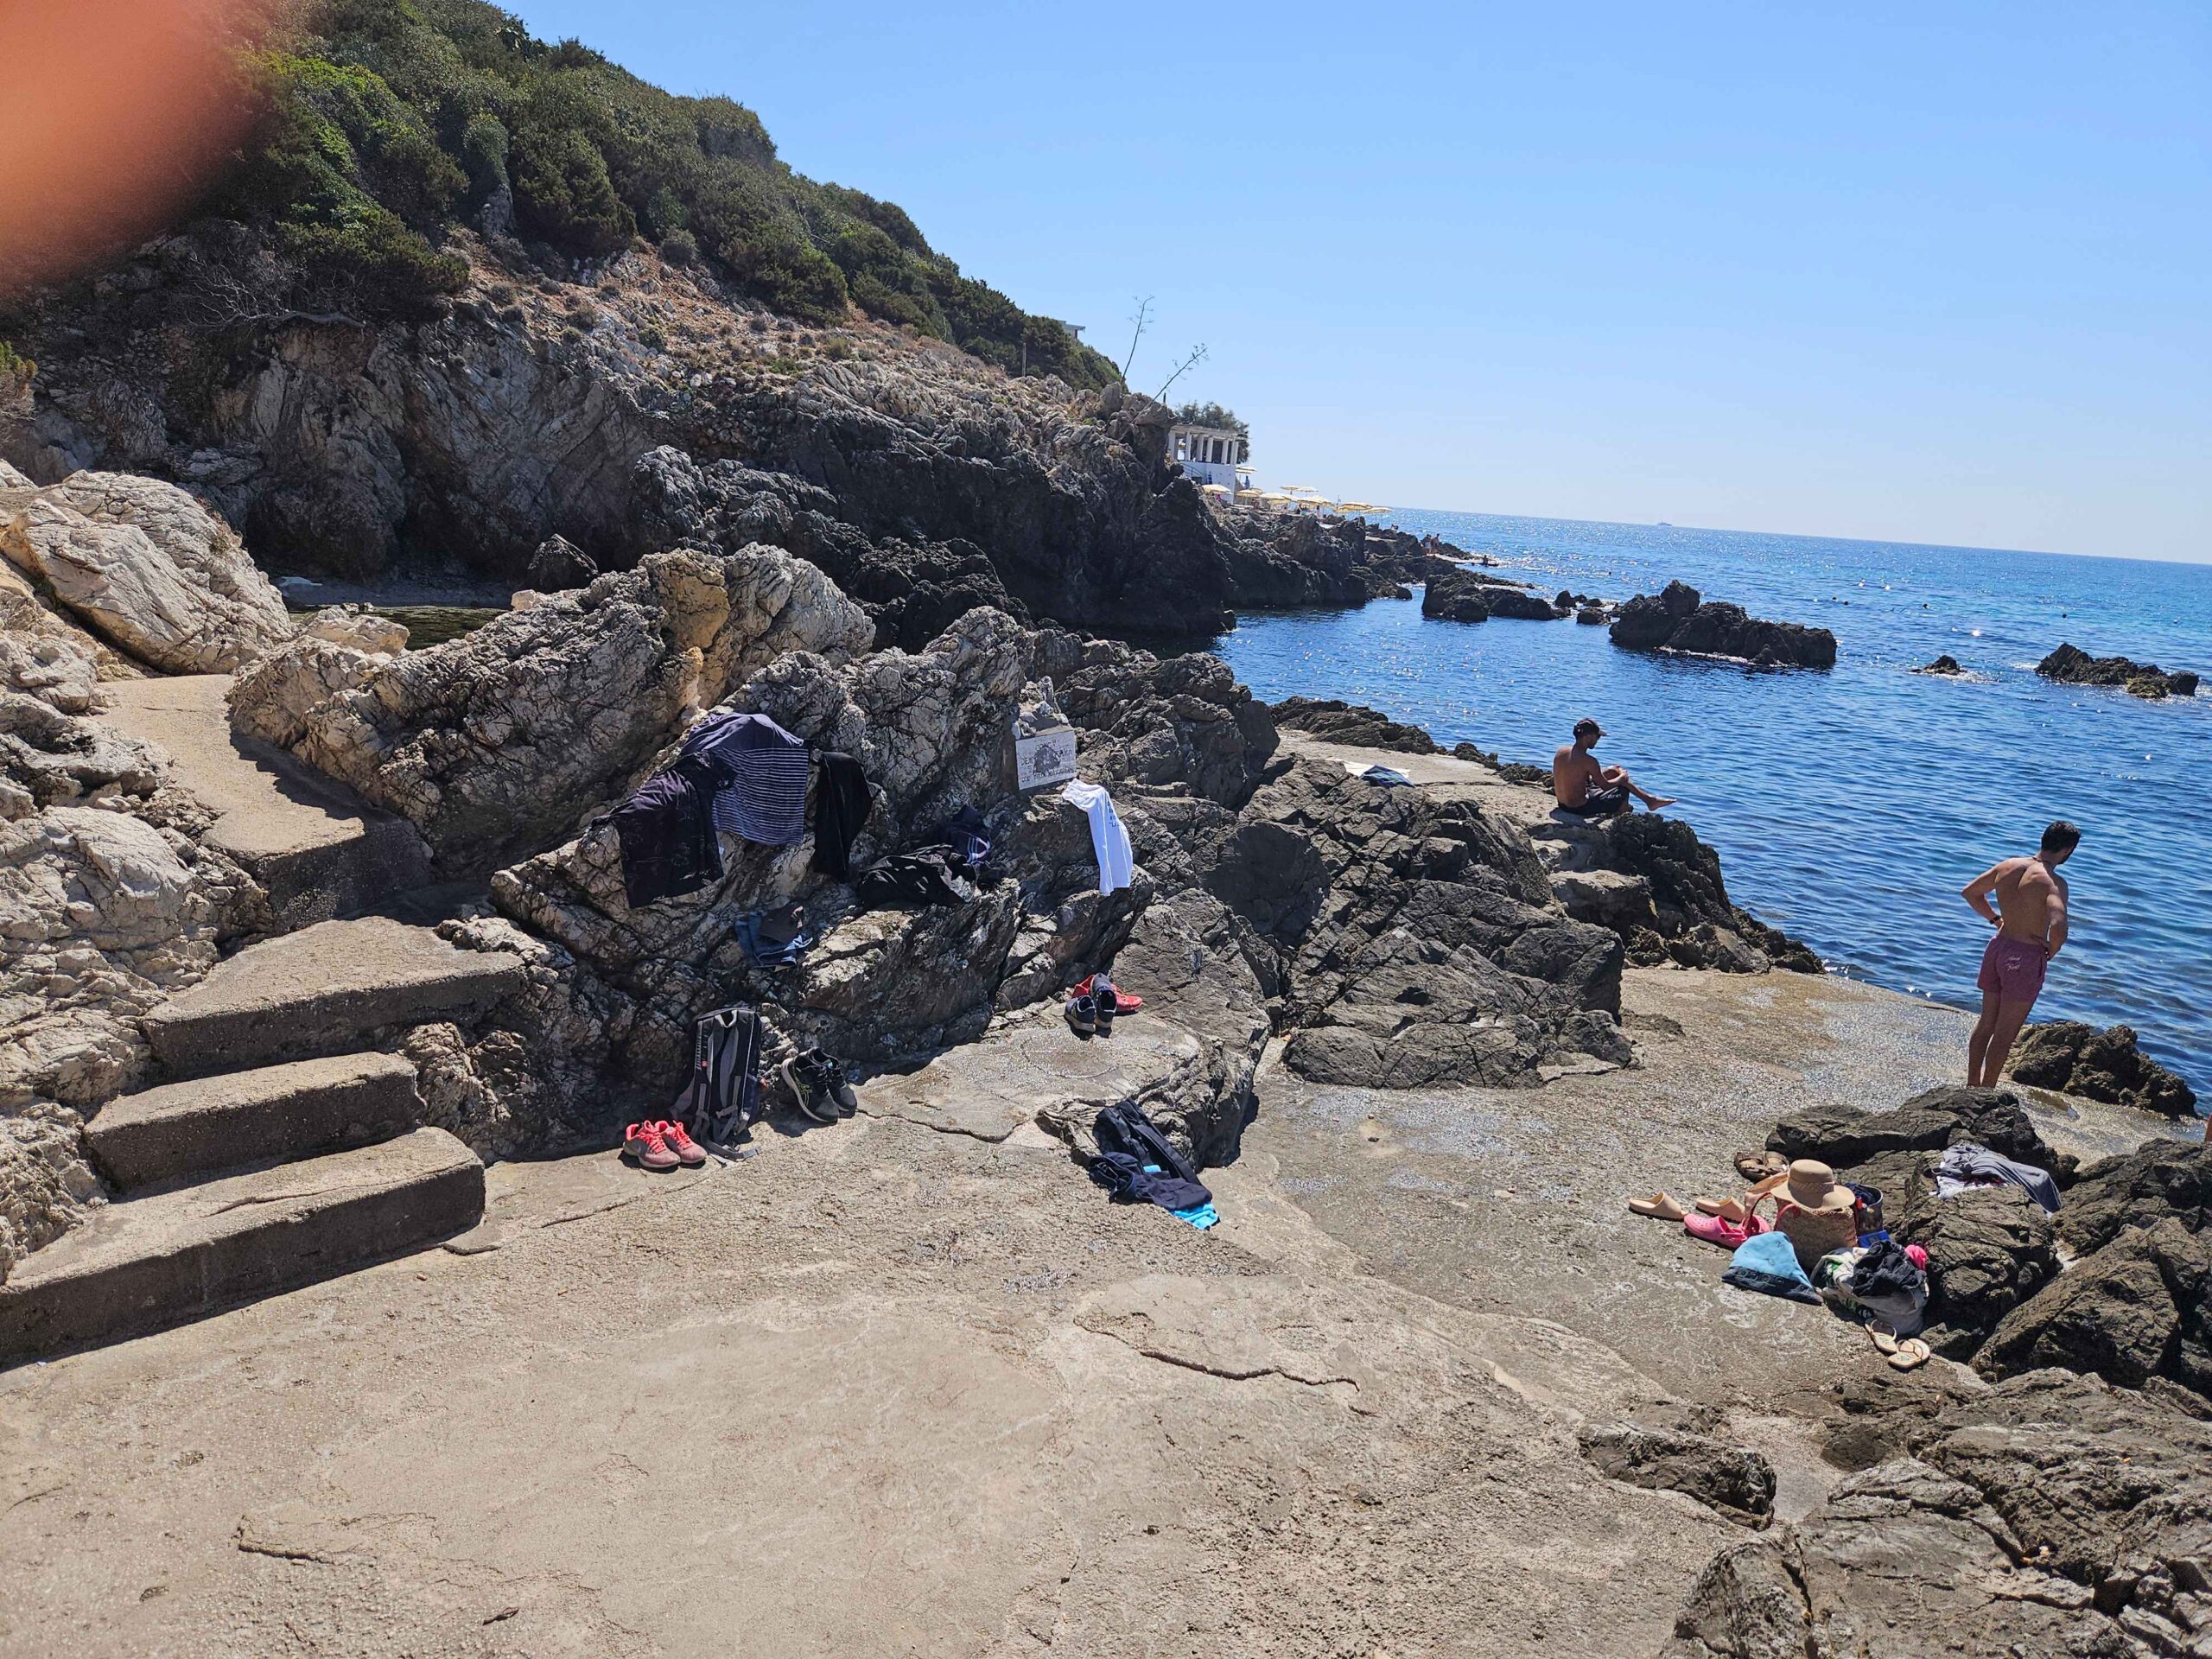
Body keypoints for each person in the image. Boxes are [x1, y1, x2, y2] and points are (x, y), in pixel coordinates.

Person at [1961, 820, 2079, 1087]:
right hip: (2025, 957)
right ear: (2068, 851)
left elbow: (1970, 893)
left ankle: (1971, 1085)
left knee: (1986, 1023)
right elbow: (2059, 925)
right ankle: (1987, 1091)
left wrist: (1995, 920)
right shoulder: (2053, 882)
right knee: (2004, 1033)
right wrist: (2053, 949)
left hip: (1998, 948)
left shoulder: (2008, 866)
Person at [1553, 717, 1675, 815]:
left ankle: (1650, 800)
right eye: (1598, 736)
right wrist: (1621, 777)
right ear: (1588, 737)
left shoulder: (1561, 751)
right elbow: (1606, 786)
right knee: (1623, 789)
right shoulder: (1589, 761)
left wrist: (1615, 773)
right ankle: (1622, 818)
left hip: (1562, 804)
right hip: (1579, 808)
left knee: (1612, 771)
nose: (1598, 740)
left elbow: (1577, 778)